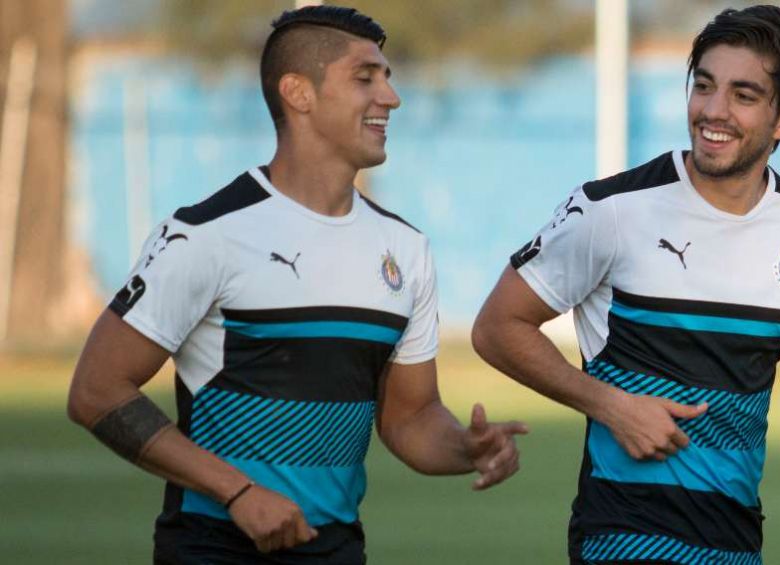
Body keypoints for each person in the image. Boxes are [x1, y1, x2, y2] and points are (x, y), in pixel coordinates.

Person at [67, 6, 526, 564]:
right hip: (213, 550)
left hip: (335, 549)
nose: (391, 97)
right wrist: (236, 492)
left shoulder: (407, 250)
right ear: (298, 93)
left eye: (388, 77)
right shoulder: (207, 234)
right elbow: (97, 391)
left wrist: (464, 446)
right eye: (366, 78)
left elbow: (410, 417)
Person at [472, 5, 780, 564]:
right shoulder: (610, 210)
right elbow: (496, 326)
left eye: (743, 95)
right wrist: (610, 406)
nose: (713, 110)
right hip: (620, 536)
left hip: (734, 542)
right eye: (704, 86)